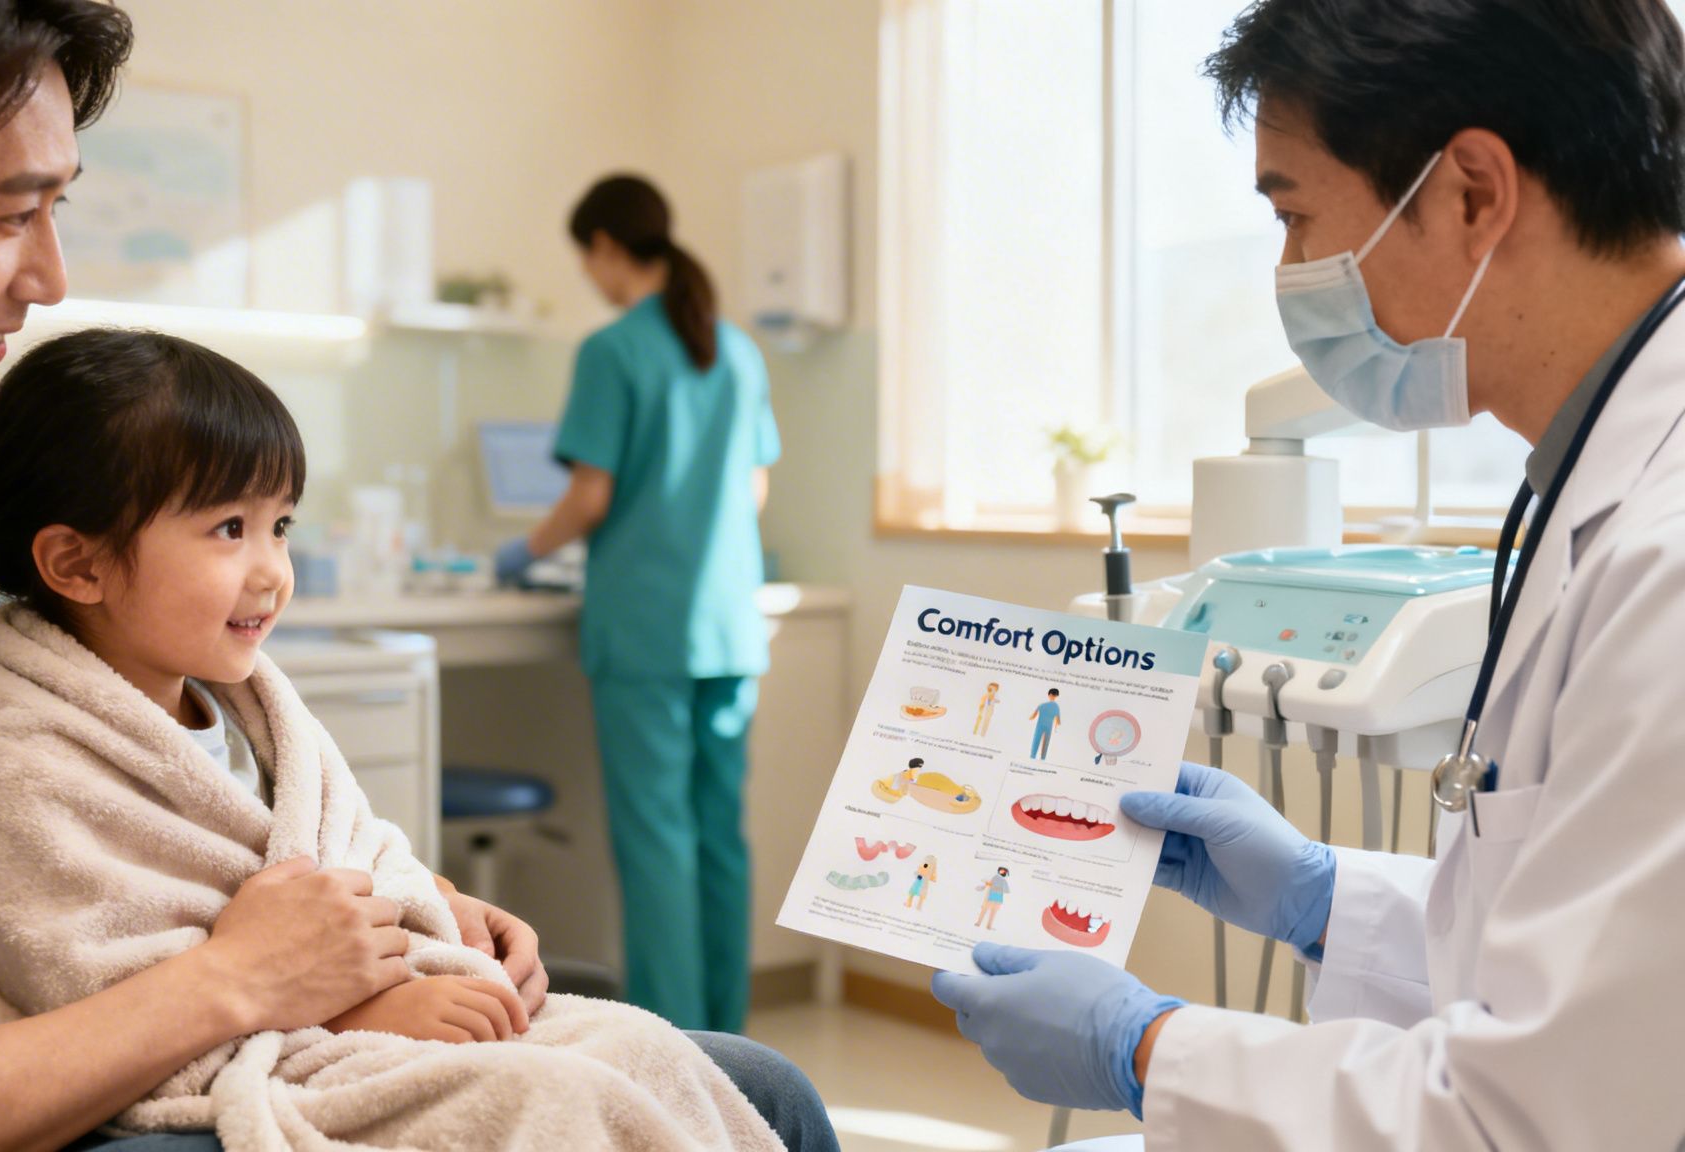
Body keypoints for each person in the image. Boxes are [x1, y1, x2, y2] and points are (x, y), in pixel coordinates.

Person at [0, 6, 829, 1150]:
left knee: (757, 1084)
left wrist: (409, 912)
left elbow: (140, 760)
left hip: (126, 1023)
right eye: (13, 214)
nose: (51, 275)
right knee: (567, 1108)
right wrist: (244, 982)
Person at [930, 1, 1685, 1146]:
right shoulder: (1594, 474)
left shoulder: (1664, 559)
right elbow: (1573, 984)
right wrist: (1327, 899)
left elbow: (1539, 1115)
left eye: (1293, 217)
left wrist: (1145, 1050)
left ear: (1470, 193)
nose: (1290, 273)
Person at [0, 328, 806, 1149]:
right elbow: (94, 997)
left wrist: (447, 905)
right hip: (257, 1060)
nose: (273, 572)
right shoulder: (11, 766)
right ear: (76, 563)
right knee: (548, 1101)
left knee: (649, 1046)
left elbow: (348, 853)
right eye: (228, 528)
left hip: (341, 1019)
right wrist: (364, 1011)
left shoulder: (250, 713)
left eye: (280, 525)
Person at [497, 174, 781, 1035]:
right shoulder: (735, 348)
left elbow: (589, 496)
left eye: (590, 258)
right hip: (730, 624)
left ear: (610, 248)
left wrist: (520, 554)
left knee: (658, 839)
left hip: (650, 631)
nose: (592, 276)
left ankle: (673, 1038)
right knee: (718, 837)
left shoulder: (613, 350)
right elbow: (755, 488)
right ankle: (726, 1033)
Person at [1029, 689, 1061, 759]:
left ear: (1049, 695)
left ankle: (1032, 757)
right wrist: (1055, 726)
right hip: (1048, 728)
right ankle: (1042, 759)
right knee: (1045, 745)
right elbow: (1058, 721)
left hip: (1039, 727)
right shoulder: (1056, 707)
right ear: (1056, 696)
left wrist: (1028, 718)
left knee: (1036, 742)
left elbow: (1032, 716)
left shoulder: (1042, 705)